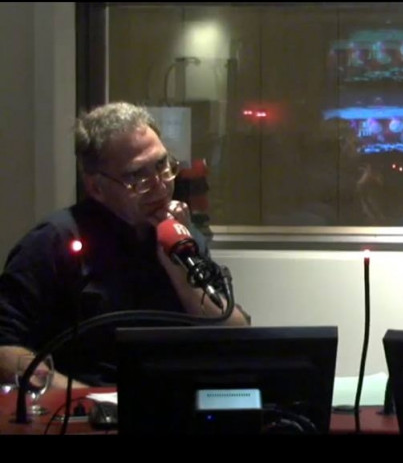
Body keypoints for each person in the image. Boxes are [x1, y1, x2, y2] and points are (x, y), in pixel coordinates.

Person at [0, 102, 250, 389]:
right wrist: (86, 400)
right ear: (96, 188)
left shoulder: (179, 232)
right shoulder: (52, 241)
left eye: (162, 165)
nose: (160, 186)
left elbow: (235, 335)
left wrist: (178, 265)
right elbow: (5, 349)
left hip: (179, 395)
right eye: (137, 176)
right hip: (92, 400)